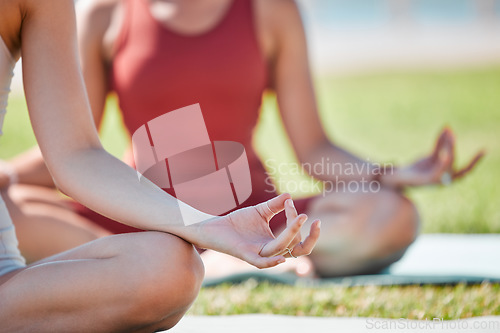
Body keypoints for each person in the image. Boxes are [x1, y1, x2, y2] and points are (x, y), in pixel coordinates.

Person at [2, 0, 482, 277]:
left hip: (253, 215)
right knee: (9, 212)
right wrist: (5, 178)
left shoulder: (271, 10)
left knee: (394, 214)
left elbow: (313, 148)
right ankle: (190, 259)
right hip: (140, 217)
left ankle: (250, 256)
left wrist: (391, 175)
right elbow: (74, 151)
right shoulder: (106, 16)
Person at [0, 0, 320, 330]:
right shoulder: (108, 14)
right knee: (16, 204)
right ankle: (200, 254)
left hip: (215, 209)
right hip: (128, 216)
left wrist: (208, 226)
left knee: (173, 267)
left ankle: (207, 253)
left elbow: (76, 153)